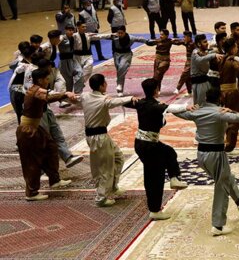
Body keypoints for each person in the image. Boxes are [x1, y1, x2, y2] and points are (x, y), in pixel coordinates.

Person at [173, 88, 239, 235]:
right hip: (216, 154)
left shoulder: (196, 111)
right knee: (221, 187)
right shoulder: (220, 113)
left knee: (226, 177)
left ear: (206, 98)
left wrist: (181, 107)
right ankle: (217, 226)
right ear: (220, 98)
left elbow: (174, 111)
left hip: (201, 154)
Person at [126, 78, 191, 220]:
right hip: (149, 146)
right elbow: (171, 108)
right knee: (155, 177)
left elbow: (124, 102)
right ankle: (155, 210)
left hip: (141, 143)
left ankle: (174, 178)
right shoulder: (154, 106)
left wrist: (130, 98)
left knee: (168, 152)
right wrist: (187, 107)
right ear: (156, 89)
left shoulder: (141, 103)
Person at [76, 74, 138, 206]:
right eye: (105, 82)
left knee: (119, 158)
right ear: (101, 86)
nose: (106, 84)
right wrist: (131, 98)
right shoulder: (103, 100)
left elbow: (73, 98)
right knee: (105, 167)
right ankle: (101, 197)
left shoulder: (85, 96)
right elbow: (115, 101)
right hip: (99, 137)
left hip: (100, 135)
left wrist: (66, 94)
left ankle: (113, 186)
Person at [16, 69, 77, 200]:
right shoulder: (36, 91)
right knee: (32, 161)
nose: (48, 81)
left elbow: (48, 94)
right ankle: (31, 193)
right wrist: (65, 94)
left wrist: (64, 94)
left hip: (37, 129)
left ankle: (54, 180)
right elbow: (48, 97)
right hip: (28, 131)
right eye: (46, 78)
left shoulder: (37, 89)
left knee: (51, 149)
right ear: (39, 80)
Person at [71, 20, 111, 93]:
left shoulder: (88, 35)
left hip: (88, 55)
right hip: (77, 56)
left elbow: (99, 36)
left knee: (88, 69)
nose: (85, 28)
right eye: (83, 27)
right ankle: (78, 90)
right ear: (78, 27)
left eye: (85, 27)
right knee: (79, 74)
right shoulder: (74, 36)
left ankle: (80, 84)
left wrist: (111, 35)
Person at [110, 26, 149, 95]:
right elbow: (103, 36)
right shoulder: (114, 37)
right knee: (119, 71)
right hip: (117, 55)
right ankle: (120, 89)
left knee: (122, 68)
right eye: (118, 33)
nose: (120, 35)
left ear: (125, 32)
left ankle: (119, 86)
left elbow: (140, 39)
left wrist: (148, 41)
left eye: (121, 33)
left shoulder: (131, 38)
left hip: (126, 54)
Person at [191, 34, 223, 106]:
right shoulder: (195, 52)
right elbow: (200, 60)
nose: (207, 43)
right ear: (199, 44)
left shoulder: (205, 52)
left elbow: (208, 53)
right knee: (199, 105)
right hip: (198, 82)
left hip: (204, 81)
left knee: (206, 103)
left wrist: (215, 52)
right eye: (204, 42)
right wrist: (213, 55)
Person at [174, 31, 195, 96]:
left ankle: (178, 88)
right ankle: (189, 92)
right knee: (187, 77)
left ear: (188, 37)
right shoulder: (186, 42)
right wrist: (171, 41)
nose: (183, 38)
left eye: (184, 37)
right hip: (188, 60)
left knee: (184, 73)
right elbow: (178, 42)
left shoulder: (193, 44)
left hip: (193, 61)